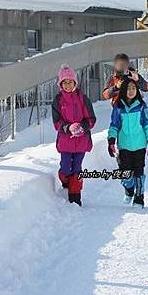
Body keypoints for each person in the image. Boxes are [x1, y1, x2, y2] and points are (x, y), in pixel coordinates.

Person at [107, 78, 148, 207]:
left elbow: (147, 124)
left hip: (140, 145)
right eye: (128, 88)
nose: (131, 91)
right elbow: (114, 125)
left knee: (139, 173)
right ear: (123, 90)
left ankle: (139, 198)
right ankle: (129, 190)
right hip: (124, 146)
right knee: (125, 174)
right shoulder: (118, 107)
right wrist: (111, 140)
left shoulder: (141, 106)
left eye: (133, 88)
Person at [52, 65, 96, 206]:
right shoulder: (58, 100)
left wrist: (82, 127)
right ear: (60, 84)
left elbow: (91, 119)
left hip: (81, 141)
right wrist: (68, 127)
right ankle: (66, 182)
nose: (68, 85)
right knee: (65, 168)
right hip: (65, 142)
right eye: (64, 82)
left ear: (75, 83)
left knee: (77, 168)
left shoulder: (83, 98)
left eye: (70, 82)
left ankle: (75, 197)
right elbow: (56, 122)